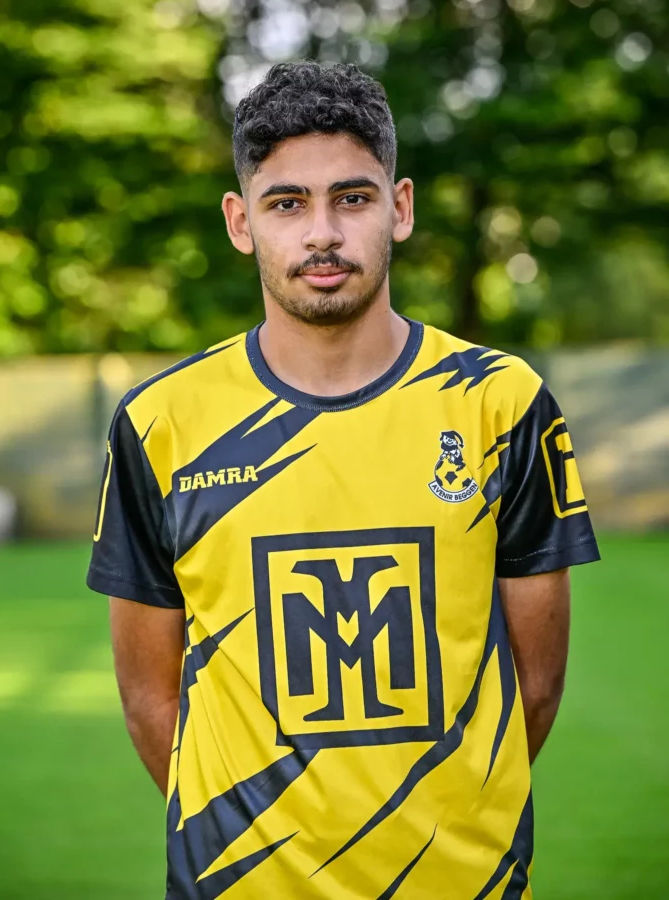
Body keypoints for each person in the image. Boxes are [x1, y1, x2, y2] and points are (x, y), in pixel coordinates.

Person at [87, 61, 600, 900]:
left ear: (398, 208)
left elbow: (534, 686)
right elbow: (151, 700)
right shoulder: (161, 423)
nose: (321, 232)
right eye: (286, 203)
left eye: (351, 198)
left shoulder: (501, 404)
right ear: (240, 221)